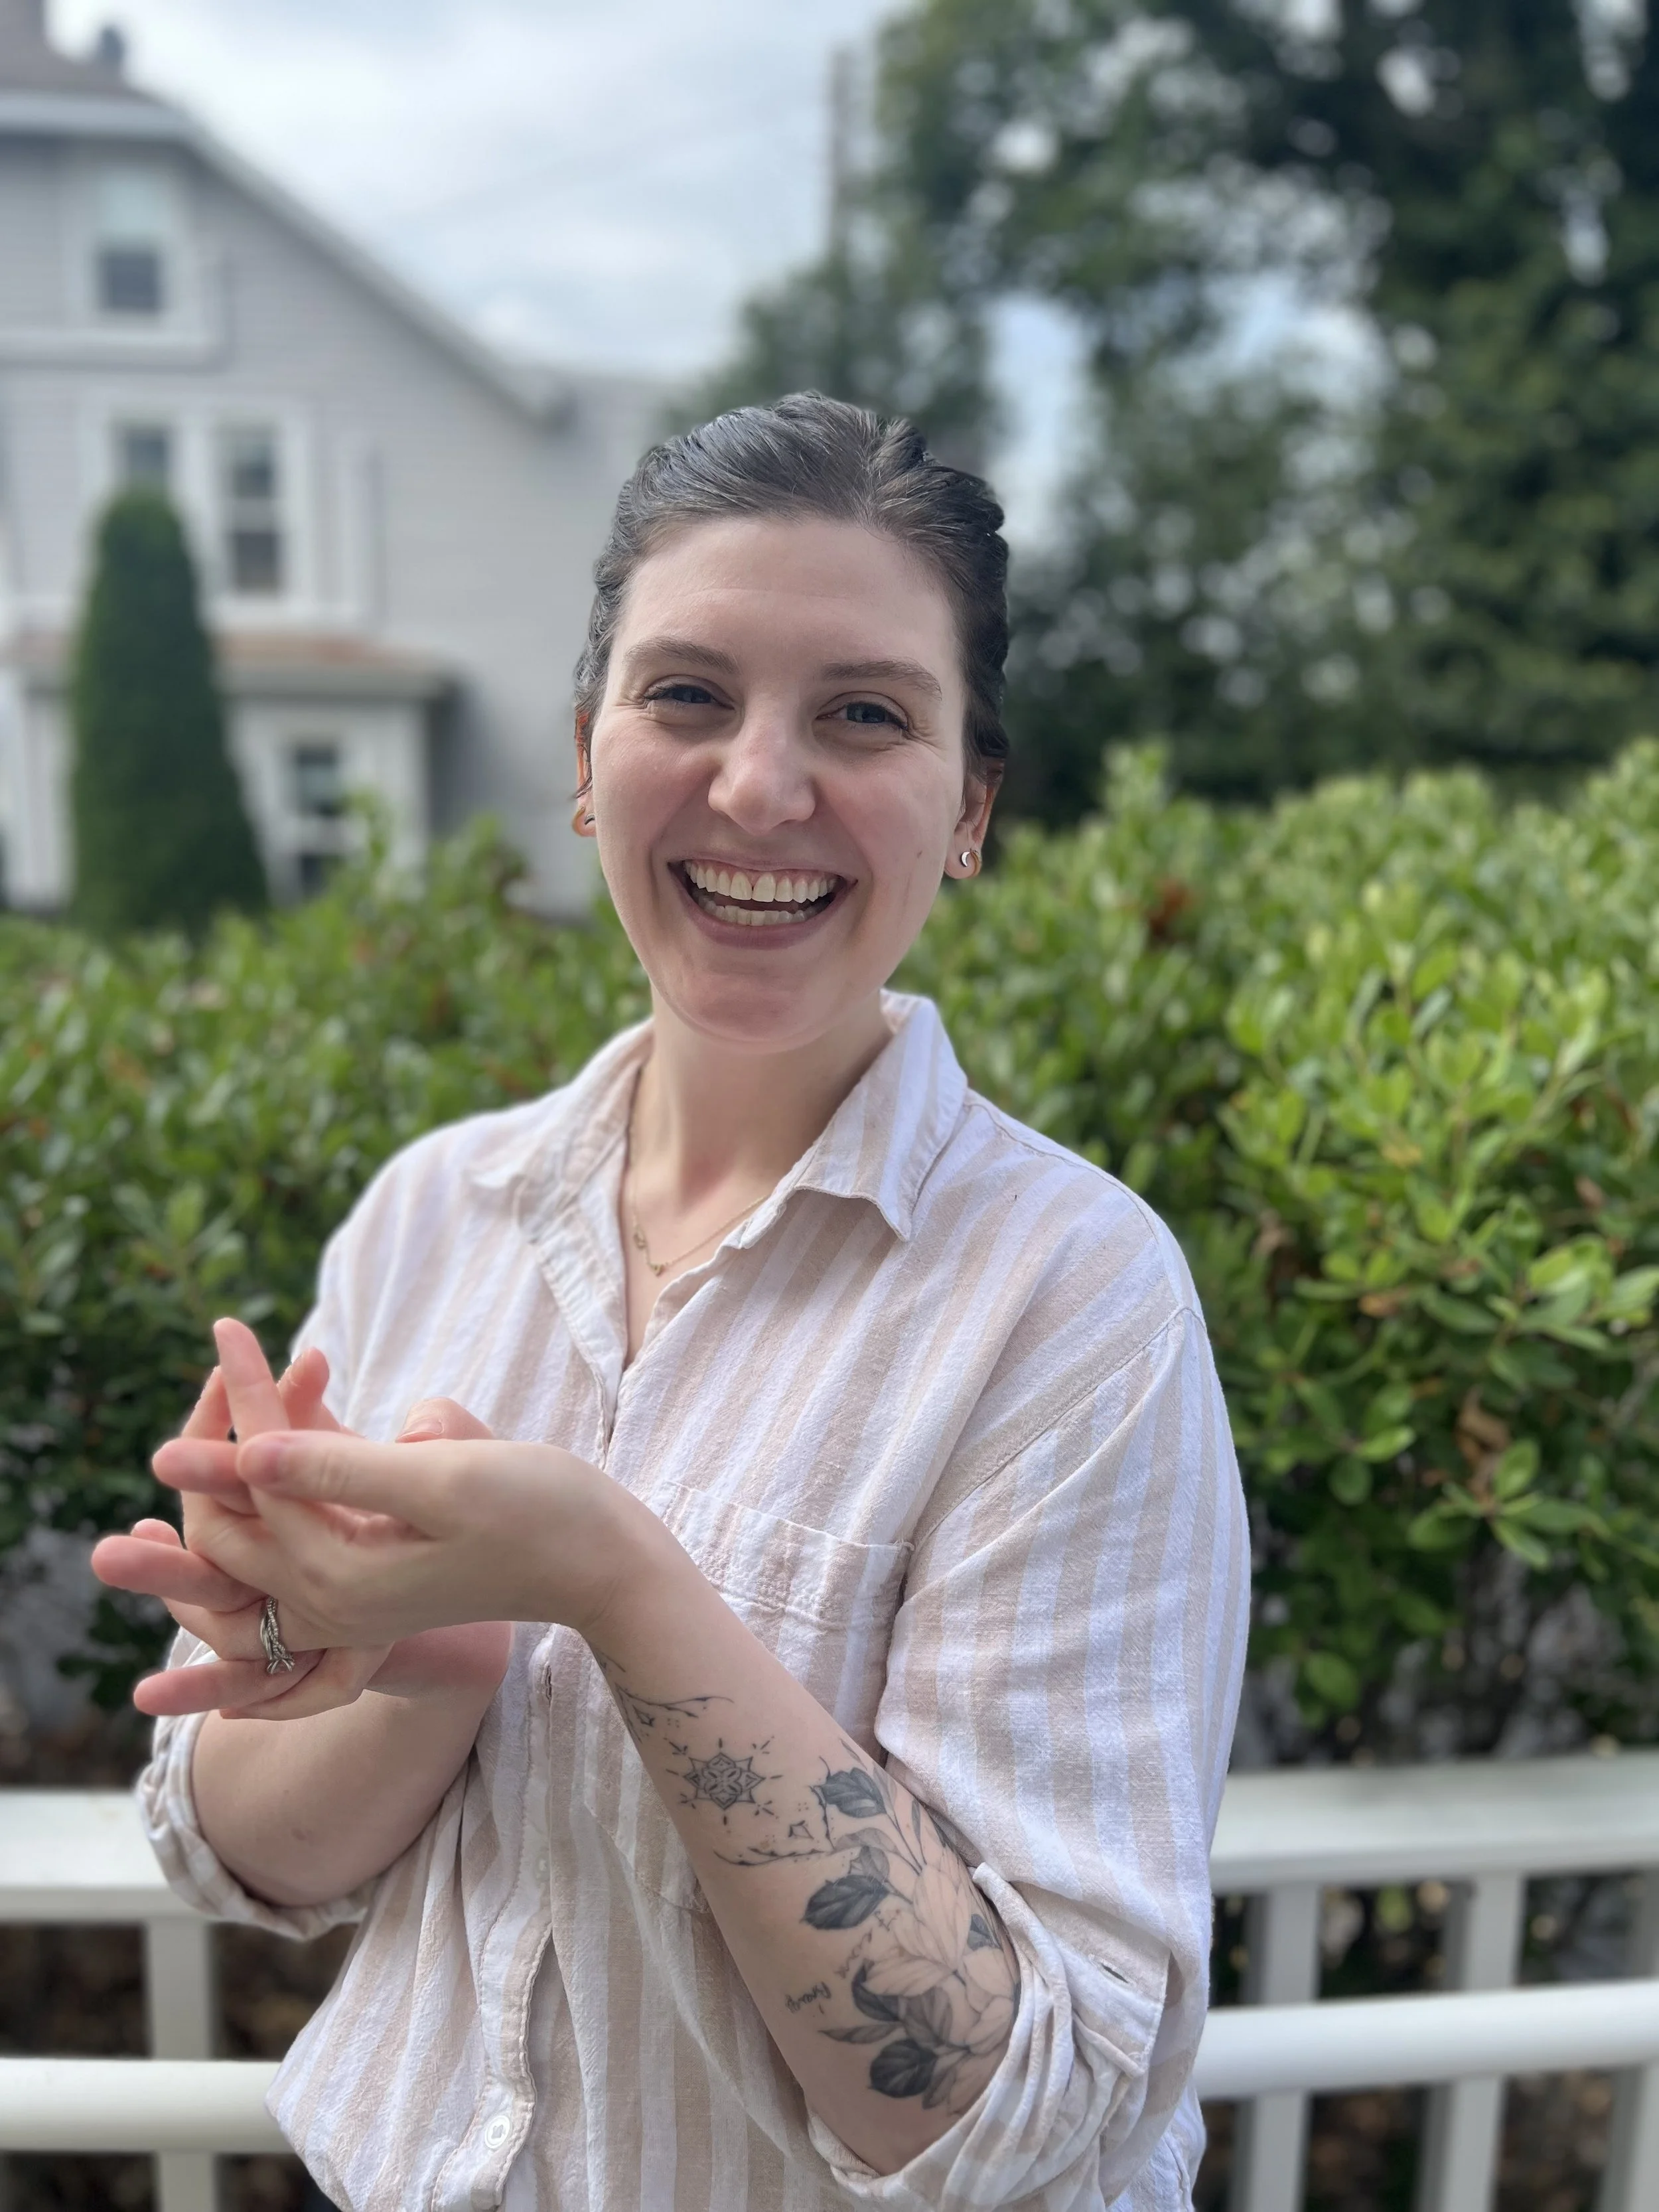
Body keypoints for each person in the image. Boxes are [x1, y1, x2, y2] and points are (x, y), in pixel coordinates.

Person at [96, 394, 1250, 2212]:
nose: (758, 785)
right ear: (582, 755)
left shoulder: (1069, 1302)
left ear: (967, 809)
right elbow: (251, 1864)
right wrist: (423, 1659)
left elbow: (1027, 2104)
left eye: (862, 712)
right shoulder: (431, 1219)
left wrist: (603, 1577)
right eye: (686, 694)